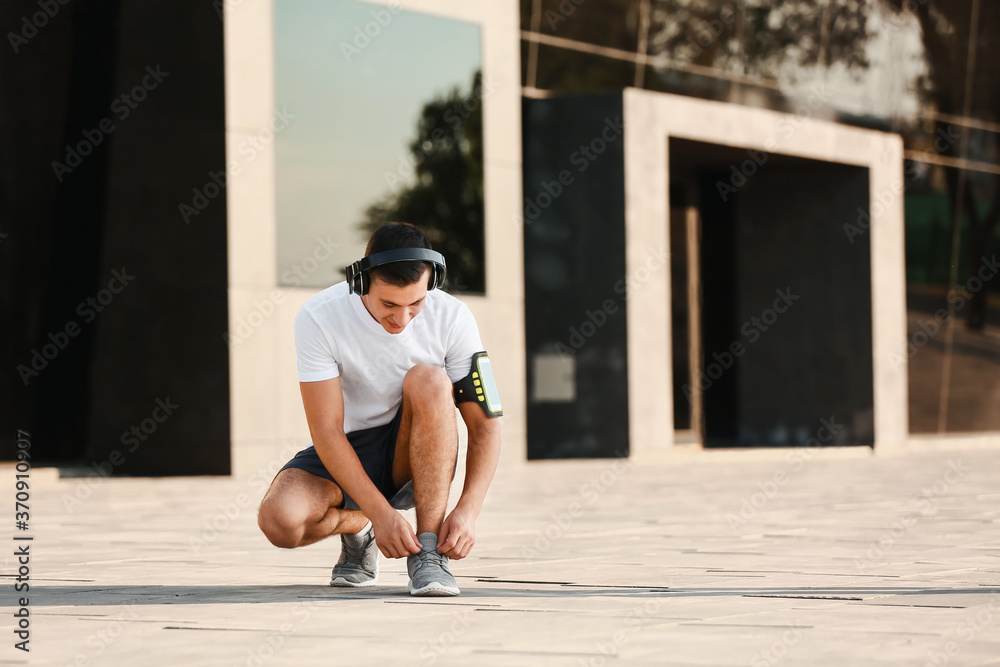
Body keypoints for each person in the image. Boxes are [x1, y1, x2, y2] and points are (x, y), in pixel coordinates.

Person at [257, 222, 502, 597]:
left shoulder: (454, 317)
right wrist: (380, 514)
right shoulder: (319, 317)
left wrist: (469, 509)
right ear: (362, 282)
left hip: (417, 445)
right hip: (346, 448)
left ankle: (429, 551)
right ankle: (360, 527)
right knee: (279, 522)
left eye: (415, 304)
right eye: (389, 304)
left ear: (431, 284)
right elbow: (326, 430)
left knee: (430, 380)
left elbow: (484, 425)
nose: (402, 319)